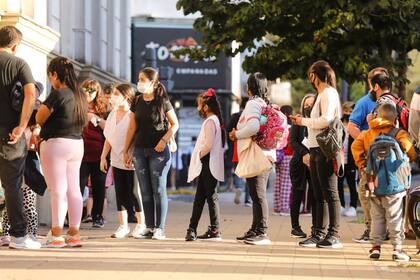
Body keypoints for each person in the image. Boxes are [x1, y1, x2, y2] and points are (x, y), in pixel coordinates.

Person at [351, 103, 416, 262]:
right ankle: (397, 249)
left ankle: (375, 248)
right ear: (395, 119)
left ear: (376, 116)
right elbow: (410, 152)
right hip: (394, 184)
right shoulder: (399, 133)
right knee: (394, 216)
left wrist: (362, 165)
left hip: (373, 181)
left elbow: (355, 146)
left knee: (377, 217)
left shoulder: (367, 133)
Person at [36, 56, 88, 248]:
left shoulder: (58, 94)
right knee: (74, 189)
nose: (51, 80)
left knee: (57, 190)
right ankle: (74, 233)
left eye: (50, 76)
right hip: (77, 144)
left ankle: (56, 233)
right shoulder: (81, 95)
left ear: (55, 74)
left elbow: (40, 117)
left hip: (56, 144)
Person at [291, 60, 342, 249]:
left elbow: (325, 120)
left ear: (316, 75)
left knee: (330, 192)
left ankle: (333, 234)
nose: (309, 79)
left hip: (325, 149)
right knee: (318, 193)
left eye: (310, 75)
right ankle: (318, 233)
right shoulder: (322, 94)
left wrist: (302, 121)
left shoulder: (328, 93)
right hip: (315, 148)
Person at [124, 67, 179, 240]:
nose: (139, 82)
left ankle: (160, 228)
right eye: (139, 78)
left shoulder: (163, 101)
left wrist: (163, 141)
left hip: (159, 152)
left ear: (153, 83)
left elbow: (175, 124)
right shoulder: (137, 100)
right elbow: (132, 127)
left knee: (159, 189)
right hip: (140, 150)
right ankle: (149, 227)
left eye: (142, 79)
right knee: (145, 190)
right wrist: (126, 150)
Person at [0, 26, 40, 249]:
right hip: (9, 134)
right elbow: (31, 93)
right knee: (12, 185)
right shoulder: (18, 63)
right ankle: (18, 236)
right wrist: (22, 125)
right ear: (15, 46)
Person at [230, 72, 277, 245]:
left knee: (258, 195)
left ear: (249, 88)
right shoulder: (264, 103)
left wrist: (236, 134)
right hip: (265, 154)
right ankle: (255, 228)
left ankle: (262, 232)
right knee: (256, 194)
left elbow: (253, 127)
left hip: (256, 154)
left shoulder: (252, 104)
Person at [348, 67, 389, 243]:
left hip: (389, 158)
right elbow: (352, 127)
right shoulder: (364, 102)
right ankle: (372, 228)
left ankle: (379, 230)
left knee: (382, 193)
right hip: (370, 158)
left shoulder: (390, 101)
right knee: (366, 193)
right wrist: (366, 144)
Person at [101, 84, 146, 238]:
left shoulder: (133, 115)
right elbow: (108, 138)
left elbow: (136, 137)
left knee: (134, 192)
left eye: (116, 94)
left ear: (126, 97)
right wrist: (103, 157)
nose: (112, 97)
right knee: (120, 192)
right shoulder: (112, 114)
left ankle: (141, 224)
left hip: (131, 160)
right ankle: (123, 226)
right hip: (115, 159)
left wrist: (130, 153)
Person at [185, 88, 225, 241]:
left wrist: (197, 156)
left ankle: (212, 230)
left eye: (199, 105)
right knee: (202, 198)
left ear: (206, 107)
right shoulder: (215, 120)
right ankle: (193, 229)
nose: (198, 108)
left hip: (207, 163)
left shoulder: (210, 121)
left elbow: (207, 145)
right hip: (209, 163)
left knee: (208, 198)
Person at [79, 79, 107, 228]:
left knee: (99, 187)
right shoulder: (77, 106)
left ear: (97, 93)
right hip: (80, 153)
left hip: (99, 153)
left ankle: (98, 216)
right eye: (85, 89)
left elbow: (109, 129)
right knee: (78, 186)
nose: (88, 93)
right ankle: (73, 217)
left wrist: (96, 118)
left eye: (92, 91)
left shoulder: (103, 109)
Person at [289, 94, 315, 238]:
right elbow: (293, 141)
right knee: (297, 193)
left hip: (315, 162)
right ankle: (295, 227)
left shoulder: (318, 121)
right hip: (299, 162)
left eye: (311, 105)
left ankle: (316, 227)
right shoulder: (297, 121)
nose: (308, 107)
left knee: (314, 194)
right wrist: (304, 153)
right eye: (306, 105)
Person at [226, 97, 250, 206]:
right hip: (249, 147)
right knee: (250, 173)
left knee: (238, 170)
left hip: (236, 147)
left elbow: (228, 131)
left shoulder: (235, 116)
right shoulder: (251, 117)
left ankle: (239, 187)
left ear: (240, 105)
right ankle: (248, 200)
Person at [338, 101, 358, 217]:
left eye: (351, 111)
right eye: (346, 111)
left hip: (351, 160)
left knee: (352, 184)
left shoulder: (355, 125)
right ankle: (341, 205)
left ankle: (353, 206)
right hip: (340, 160)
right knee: (339, 183)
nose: (348, 113)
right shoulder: (338, 124)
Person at [273, 105, 293, 216]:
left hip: (278, 156)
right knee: (286, 183)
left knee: (278, 182)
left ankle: (277, 207)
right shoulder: (290, 128)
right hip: (288, 156)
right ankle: (285, 208)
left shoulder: (279, 127)